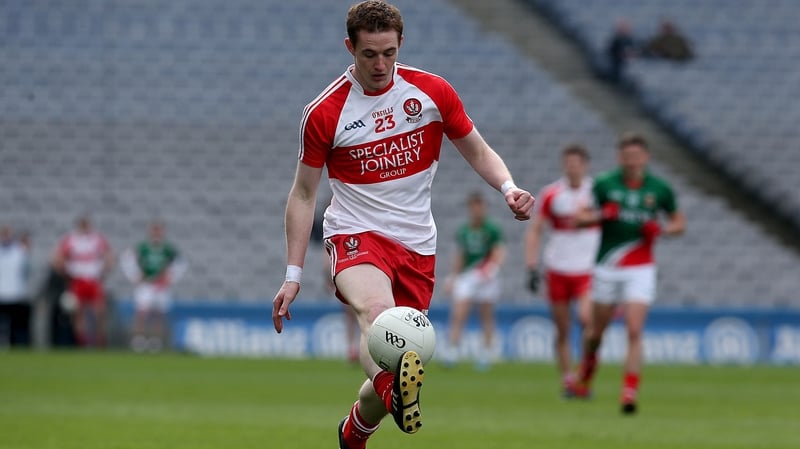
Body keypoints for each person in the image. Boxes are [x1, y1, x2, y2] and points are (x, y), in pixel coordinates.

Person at [269, 2, 534, 448]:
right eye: (369, 54)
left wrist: (508, 188)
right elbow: (303, 194)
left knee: (399, 355)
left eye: (389, 53)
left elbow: (477, 149)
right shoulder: (325, 112)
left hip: (416, 244)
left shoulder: (431, 92)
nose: (380, 64)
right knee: (377, 315)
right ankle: (394, 388)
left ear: (401, 45)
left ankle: (355, 431)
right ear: (350, 47)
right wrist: (293, 274)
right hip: (354, 232)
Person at [569, 133, 685, 414]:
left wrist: (661, 230)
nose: (632, 161)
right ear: (620, 158)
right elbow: (579, 218)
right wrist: (601, 215)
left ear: (646, 157)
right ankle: (587, 371)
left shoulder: (659, 189)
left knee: (634, 329)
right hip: (607, 266)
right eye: (627, 156)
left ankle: (629, 393)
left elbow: (679, 223)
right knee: (596, 332)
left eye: (637, 156)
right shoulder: (604, 184)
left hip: (641, 267)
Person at [524, 144, 600, 395]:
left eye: (576, 163)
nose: (572, 168)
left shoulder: (597, 192)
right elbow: (536, 230)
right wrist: (531, 265)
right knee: (562, 328)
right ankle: (568, 379)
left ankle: (584, 375)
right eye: (568, 163)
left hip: (587, 268)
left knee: (587, 320)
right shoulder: (552, 193)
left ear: (585, 165)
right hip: (557, 268)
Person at [442, 192, 505, 371]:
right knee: (459, 312)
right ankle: (452, 350)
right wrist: (453, 277)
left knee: (486, 314)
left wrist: (491, 268)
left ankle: (486, 353)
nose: (477, 209)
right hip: (469, 275)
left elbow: (498, 250)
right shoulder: (464, 230)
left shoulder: (491, 229)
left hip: (486, 276)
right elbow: (460, 255)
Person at [120, 220, 186, 353]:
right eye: (154, 230)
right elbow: (127, 259)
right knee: (141, 313)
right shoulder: (142, 247)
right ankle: (138, 341)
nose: (156, 233)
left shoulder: (168, 249)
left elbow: (181, 264)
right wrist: (135, 276)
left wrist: (170, 278)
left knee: (159, 314)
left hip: (160, 286)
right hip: (146, 285)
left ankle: (155, 342)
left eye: (158, 230)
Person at [52, 215, 113, 347]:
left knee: (99, 312)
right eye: (83, 225)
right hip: (78, 280)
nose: (85, 228)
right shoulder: (71, 239)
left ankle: (99, 342)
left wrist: (104, 272)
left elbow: (109, 256)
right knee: (78, 314)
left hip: (93, 280)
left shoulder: (97, 239)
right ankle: (81, 343)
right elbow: (57, 258)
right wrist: (66, 274)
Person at [0, 225, 31, 347]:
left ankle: (17, 346)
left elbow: (27, 271)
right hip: (1, 293)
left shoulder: (20, 251)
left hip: (16, 294)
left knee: (16, 327)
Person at [606, 19, 637, 83]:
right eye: (623, 28)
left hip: (627, 65)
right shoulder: (616, 40)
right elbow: (611, 52)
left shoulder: (630, 40)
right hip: (616, 65)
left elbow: (634, 52)